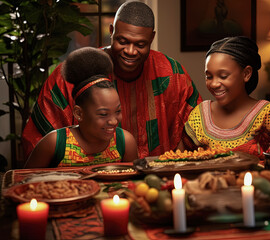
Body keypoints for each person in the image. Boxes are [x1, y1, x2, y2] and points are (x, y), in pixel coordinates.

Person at [21, 1, 202, 161]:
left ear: (152, 38)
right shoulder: (76, 71)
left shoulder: (173, 74)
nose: (130, 51)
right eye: (122, 41)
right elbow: (38, 143)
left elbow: (197, 130)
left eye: (140, 44)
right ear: (111, 31)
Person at [24, 47, 138, 168]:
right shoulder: (54, 143)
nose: (114, 121)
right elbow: (25, 182)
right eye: (103, 114)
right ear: (79, 113)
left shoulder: (125, 142)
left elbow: (134, 183)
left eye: (118, 111)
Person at [183, 36, 270, 159]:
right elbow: (181, 161)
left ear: (246, 74)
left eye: (223, 76)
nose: (214, 84)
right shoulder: (199, 115)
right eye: (209, 77)